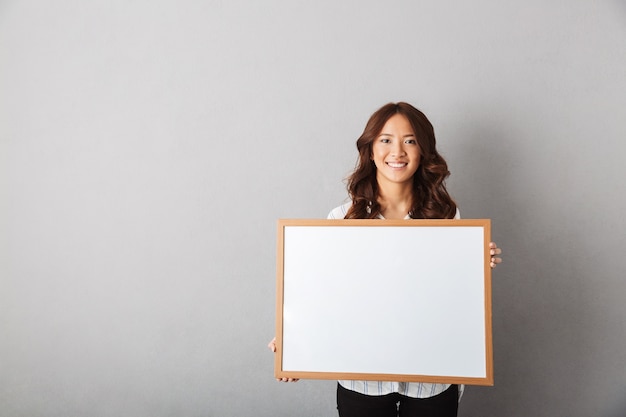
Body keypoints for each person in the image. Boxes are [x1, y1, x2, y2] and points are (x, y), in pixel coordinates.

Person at [268, 102, 502, 417]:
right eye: (386, 140)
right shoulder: (342, 219)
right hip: (362, 381)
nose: (398, 151)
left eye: (410, 140)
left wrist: (475, 268)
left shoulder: (446, 218)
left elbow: (450, 299)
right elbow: (321, 293)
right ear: (371, 149)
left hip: (431, 380)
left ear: (423, 151)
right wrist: (292, 340)